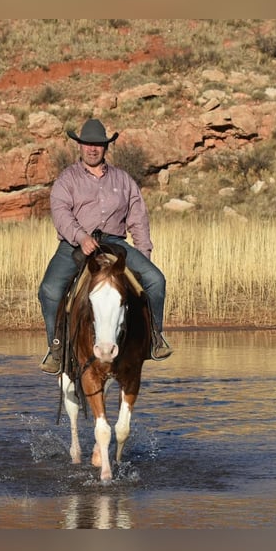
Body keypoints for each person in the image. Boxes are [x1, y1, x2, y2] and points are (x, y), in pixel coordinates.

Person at [37, 118, 172, 374]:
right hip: (74, 245)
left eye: (98, 144)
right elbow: (61, 213)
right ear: (79, 146)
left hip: (115, 243)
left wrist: (143, 255)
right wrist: (81, 237)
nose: (92, 149)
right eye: (88, 144)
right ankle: (56, 349)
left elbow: (138, 217)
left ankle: (155, 337)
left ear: (106, 147)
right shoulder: (67, 180)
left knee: (155, 280)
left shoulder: (123, 180)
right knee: (50, 289)